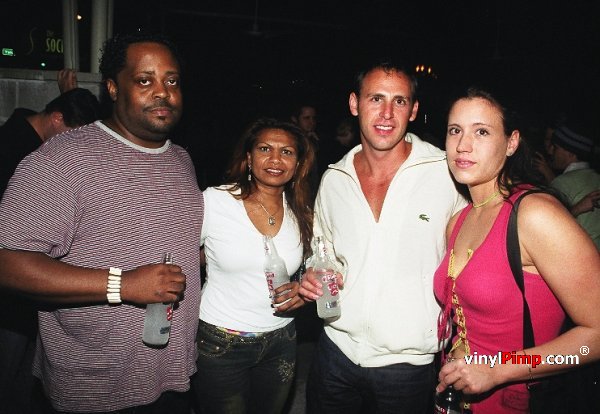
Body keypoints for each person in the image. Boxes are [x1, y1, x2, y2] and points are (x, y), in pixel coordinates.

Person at [0, 32, 203, 413]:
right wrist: (122, 285)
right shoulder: (63, 159)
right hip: (95, 385)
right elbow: (8, 263)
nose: (163, 92)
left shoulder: (181, 159)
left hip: (171, 375)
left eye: (172, 81)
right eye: (145, 80)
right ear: (113, 87)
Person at [298, 60, 466, 413]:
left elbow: (471, 258)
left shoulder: (446, 174)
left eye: (399, 101)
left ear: (413, 110)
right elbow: (322, 250)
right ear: (354, 104)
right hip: (335, 351)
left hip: (408, 365)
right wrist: (315, 272)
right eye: (376, 98)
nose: (387, 113)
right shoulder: (335, 179)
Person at [434, 87, 600, 413]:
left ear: (511, 143)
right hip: (461, 399)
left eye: (481, 131)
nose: (463, 145)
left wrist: (498, 370)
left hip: (518, 401)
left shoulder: (534, 214)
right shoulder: (459, 220)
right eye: (455, 130)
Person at [192, 117, 315, 413]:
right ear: (249, 157)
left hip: (282, 339)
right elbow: (182, 254)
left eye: (287, 152)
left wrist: (305, 290)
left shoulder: (301, 211)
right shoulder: (216, 201)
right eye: (264, 149)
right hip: (221, 342)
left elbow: (315, 263)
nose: (275, 159)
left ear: (298, 164)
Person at [0, 86, 100, 195]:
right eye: (72, 136)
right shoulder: (14, 152)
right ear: (56, 118)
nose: (73, 144)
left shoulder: (24, 131)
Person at [547, 125, 600, 249]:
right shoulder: (597, 178)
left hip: (581, 254)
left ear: (570, 154)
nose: (550, 151)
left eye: (556, 148)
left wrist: (576, 209)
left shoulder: (562, 183)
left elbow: (550, 226)